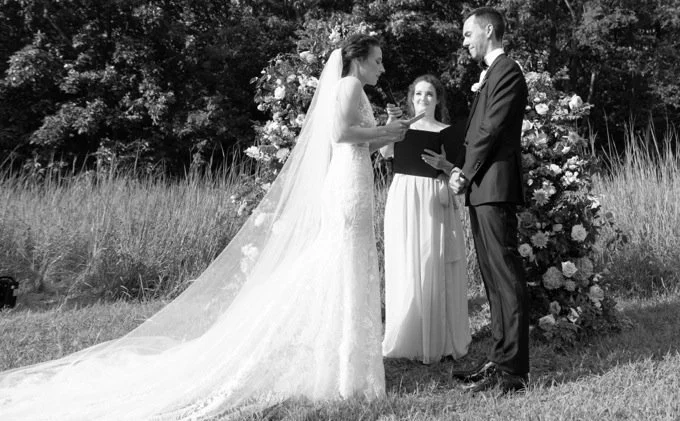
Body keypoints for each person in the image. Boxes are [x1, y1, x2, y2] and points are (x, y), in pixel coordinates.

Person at [0, 33, 410, 419]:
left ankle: (343, 367)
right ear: (357, 60)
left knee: (345, 262)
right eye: (377, 61)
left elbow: (361, 141)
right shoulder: (351, 86)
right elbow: (341, 134)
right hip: (347, 185)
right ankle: (339, 367)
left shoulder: (353, 90)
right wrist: (385, 130)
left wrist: (390, 133)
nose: (382, 69)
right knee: (340, 261)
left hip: (351, 176)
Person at [448, 7, 530, 394]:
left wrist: (465, 171)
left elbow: (492, 128)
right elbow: (475, 131)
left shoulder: (508, 71)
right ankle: (498, 362)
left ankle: (513, 372)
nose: (465, 42)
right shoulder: (490, 75)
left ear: (489, 31)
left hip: (495, 185)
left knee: (506, 276)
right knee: (493, 278)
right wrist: (459, 167)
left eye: (468, 34)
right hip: (483, 187)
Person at [380, 75, 471, 364]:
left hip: (434, 194)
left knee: (433, 259)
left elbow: (458, 168)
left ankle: (440, 336)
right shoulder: (401, 126)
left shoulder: (447, 131)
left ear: (438, 99)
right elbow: (384, 153)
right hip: (405, 195)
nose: (423, 98)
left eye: (429, 94)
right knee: (407, 260)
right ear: (411, 97)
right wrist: (389, 126)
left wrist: (445, 166)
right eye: (418, 93)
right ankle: (410, 332)